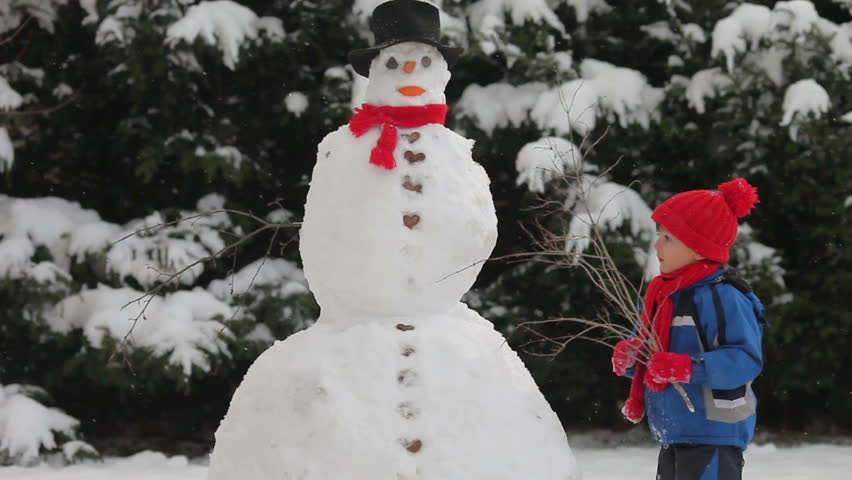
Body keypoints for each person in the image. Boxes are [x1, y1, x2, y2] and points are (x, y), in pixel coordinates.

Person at [610, 178, 767, 480]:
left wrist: (688, 367)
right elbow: (653, 355)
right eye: (658, 235)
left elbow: (745, 359)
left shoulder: (724, 296)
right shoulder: (663, 294)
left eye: (667, 238)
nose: (656, 245)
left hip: (714, 431)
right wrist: (634, 358)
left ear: (698, 247)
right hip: (675, 427)